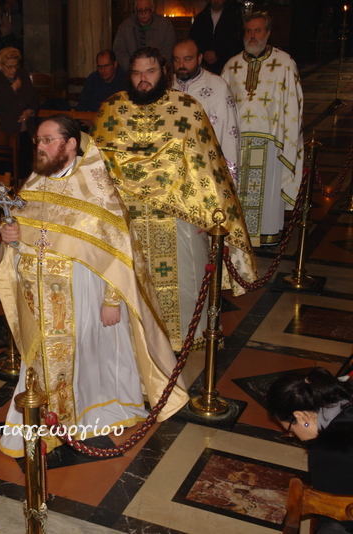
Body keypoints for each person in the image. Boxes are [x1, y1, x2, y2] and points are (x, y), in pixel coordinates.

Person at [0, 114, 188, 457]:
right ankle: (47, 419)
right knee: (40, 358)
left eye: (48, 140)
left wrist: (112, 300)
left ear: (70, 144)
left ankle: (86, 413)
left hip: (83, 292)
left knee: (91, 356)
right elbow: (22, 231)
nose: (40, 147)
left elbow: (118, 251)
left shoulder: (96, 187)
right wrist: (10, 235)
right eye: (38, 140)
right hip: (37, 293)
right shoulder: (35, 183)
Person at [92, 47, 257, 351]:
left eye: (150, 71)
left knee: (183, 283)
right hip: (127, 217)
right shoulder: (112, 109)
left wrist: (212, 215)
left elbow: (207, 166)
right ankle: (133, 343)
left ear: (164, 72)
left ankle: (185, 339)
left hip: (177, 215)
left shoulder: (186, 108)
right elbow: (96, 165)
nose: (143, 79)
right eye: (137, 72)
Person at [222, 12, 303, 247]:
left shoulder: (284, 63)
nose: (252, 35)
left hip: (271, 141)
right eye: (248, 31)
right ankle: (240, 234)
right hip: (237, 141)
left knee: (267, 191)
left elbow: (294, 103)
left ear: (267, 32)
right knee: (238, 191)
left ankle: (267, 235)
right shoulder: (232, 65)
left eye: (257, 30)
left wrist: (289, 139)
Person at [267, 368, 353, 534]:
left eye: (290, 431)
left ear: (302, 417)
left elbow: (336, 517)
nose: (296, 437)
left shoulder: (329, 454)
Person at [172, 39, 240, 184]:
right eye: (177, 60)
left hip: (205, 169)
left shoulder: (218, 87)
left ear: (199, 58)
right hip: (173, 169)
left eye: (187, 59)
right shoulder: (166, 86)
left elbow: (229, 134)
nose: (181, 65)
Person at [0, 47, 38, 180]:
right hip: (3, 132)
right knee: (4, 173)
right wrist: (12, 89)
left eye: (16, 66)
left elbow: (34, 97)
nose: (13, 70)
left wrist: (29, 111)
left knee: (25, 170)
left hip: (24, 131)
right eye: (9, 66)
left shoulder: (22, 75)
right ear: (0, 65)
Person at [113, 0, 176, 71]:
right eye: (140, 10)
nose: (143, 13)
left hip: (158, 71)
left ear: (152, 9)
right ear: (135, 11)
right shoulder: (125, 27)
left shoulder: (165, 26)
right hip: (132, 71)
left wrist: (153, 68)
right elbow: (119, 50)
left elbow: (169, 51)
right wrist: (133, 67)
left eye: (146, 10)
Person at [189, 0, 243, 76]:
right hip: (203, 65)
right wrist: (205, 53)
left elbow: (235, 41)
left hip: (226, 64)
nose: (216, 0)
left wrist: (217, 53)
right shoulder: (201, 17)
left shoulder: (233, 18)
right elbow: (194, 39)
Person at [76, 49, 126, 113]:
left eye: (106, 66)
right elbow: (82, 103)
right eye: (99, 67)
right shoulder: (93, 78)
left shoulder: (124, 80)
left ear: (115, 64)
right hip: (91, 117)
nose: (102, 70)